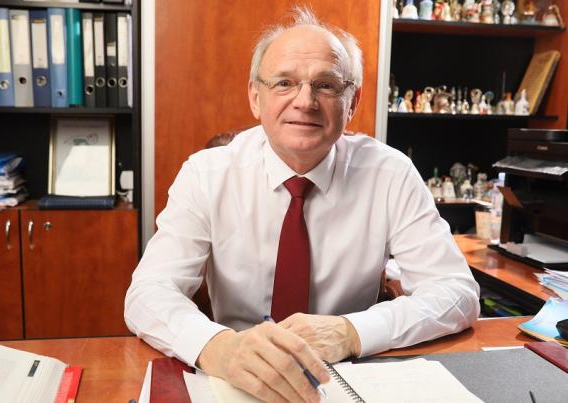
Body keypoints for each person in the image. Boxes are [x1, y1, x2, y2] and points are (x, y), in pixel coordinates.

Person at [125, 6, 480, 402]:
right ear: (255, 97)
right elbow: (149, 293)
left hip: (345, 377)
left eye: (326, 85)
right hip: (235, 377)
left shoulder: (390, 174)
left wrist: (351, 331)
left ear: (352, 102)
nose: (305, 101)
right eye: (284, 83)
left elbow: (457, 293)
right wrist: (217, 346)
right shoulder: (206, 173)